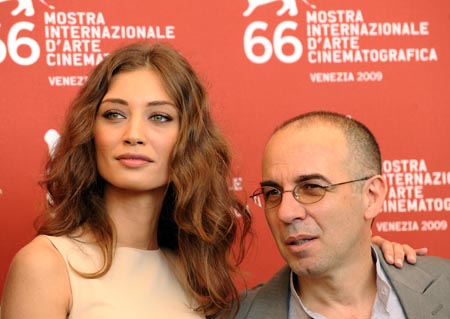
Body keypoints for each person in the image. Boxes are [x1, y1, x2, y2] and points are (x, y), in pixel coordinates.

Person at [0, 44, 424, 319]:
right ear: (91, 131)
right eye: (114, 113)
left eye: (159, 117)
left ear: (188, 139)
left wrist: (374, 258)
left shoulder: (197, 271)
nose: (133, 133)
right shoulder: (46, 266)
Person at [238, 111, 450, 319]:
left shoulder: (444, 287)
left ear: (371, 196)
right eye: (272, 193)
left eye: (311, 187)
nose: (285, 212)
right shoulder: (233, 315)